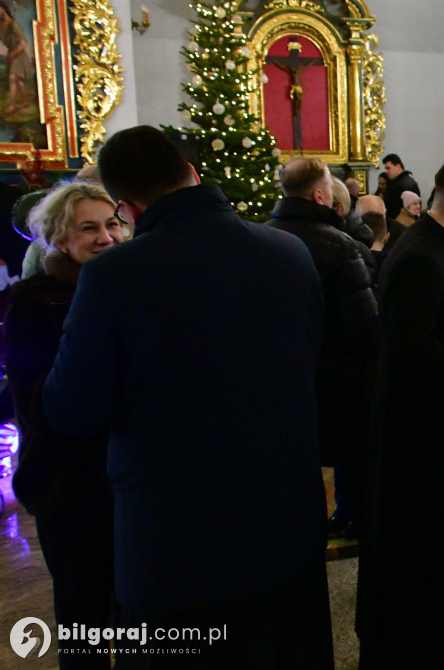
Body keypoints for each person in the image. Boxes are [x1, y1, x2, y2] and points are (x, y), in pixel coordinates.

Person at [42, 126, 333, 667]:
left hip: (175, 542)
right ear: (194, 173)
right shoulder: (287, 251)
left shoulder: (113, 276)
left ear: (126, 207)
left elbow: (72, 410)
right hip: (283, 521)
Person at [358, 155, 444, 669]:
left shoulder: (431, 246)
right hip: (420, 437)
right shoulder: (422, 256)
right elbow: (408, 355)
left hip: (433, 424)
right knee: (420, 553)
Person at [5, 181, 128, 668]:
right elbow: (36, 405)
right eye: (89, 228)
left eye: (112, 224)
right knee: (85, 617)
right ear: (60, 239)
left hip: (126, 477)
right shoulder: (34, 302)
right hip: (69, 483)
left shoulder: (130, 288)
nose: (106, 237)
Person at [268, 158, 379, 540]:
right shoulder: (340, 245)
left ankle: (303, 528)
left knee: (297, 458)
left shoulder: (263, 238)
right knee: (352, 455)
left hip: (284, 374)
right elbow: (365, 326)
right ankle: (354, 519)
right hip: (340, 376)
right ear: (320, 194)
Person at [0, 1, 31, 114]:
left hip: (19, 54)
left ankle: (13, 105)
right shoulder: (1, 27)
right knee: (18, 81)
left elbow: (23, 42)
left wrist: (13, 53)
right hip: (11, 54)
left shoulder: (13, 24)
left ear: (3, 9)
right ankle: (26, 102)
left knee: (12, 78)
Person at [381, 153, 419, 220]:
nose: (386, 171)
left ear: (398, 166)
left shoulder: (398, 186)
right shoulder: (410, 181)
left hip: (400, 224)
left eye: (388, 168)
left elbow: (393, 211)